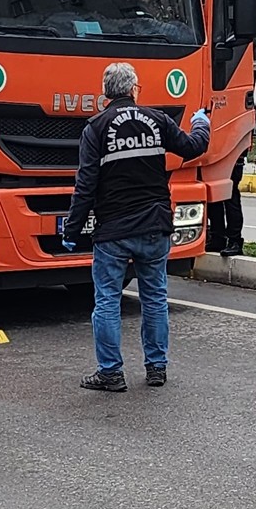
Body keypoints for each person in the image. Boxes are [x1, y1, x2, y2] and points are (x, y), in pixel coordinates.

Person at [64, 62, 211, 392]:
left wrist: (72, 230)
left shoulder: (95, 128)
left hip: (113, 231)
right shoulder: (158, 120)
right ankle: (157, 367)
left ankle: (111, 373)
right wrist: (201, 123)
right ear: (133, 90)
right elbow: (193, 147)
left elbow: (85, 184)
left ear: (105, 93)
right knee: (155, 299)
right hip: (154, 226)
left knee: (106, 302)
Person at [206, 150, 246, 257]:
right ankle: (217, 238)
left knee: (231, 199)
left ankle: (234, 241)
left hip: (232, 158)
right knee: (214, 197)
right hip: (216, 157)